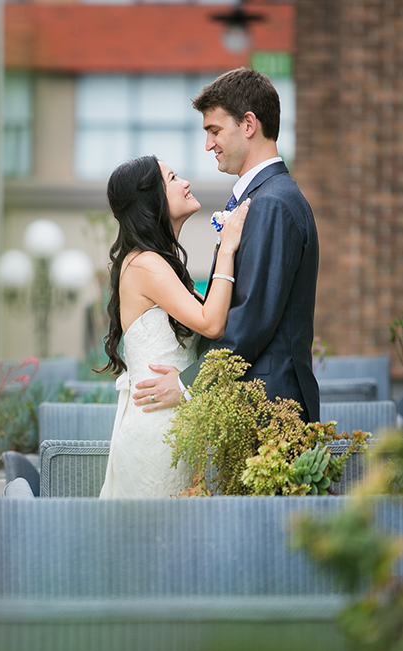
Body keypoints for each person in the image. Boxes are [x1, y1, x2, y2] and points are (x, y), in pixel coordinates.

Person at [132, 67, 321, 425]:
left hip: (269, 409)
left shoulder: (272, 204)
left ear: (248, 125)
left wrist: (188, 385)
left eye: (214, 130)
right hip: (257, 404)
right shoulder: (264, 198)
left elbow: (251, 320)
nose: (208, 144)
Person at [97, 155, 249, 498]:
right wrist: (227, 250)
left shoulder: (159, 263)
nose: (186, 183)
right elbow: (211, 323)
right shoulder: (146, 264)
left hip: (175, 428)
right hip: (157, 434)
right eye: (173, 178)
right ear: (151, 198)